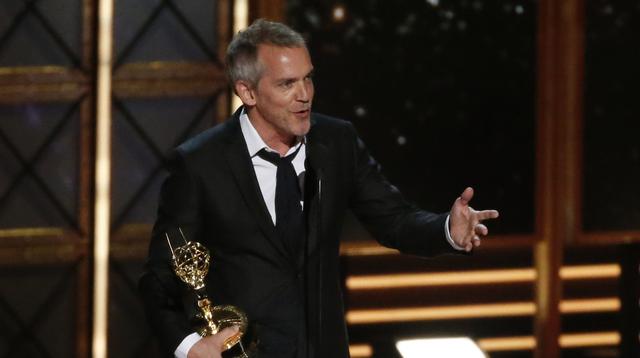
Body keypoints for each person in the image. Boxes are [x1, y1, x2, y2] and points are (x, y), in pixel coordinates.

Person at [139, 19, 499, 358]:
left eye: (308, 79)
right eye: (287, 84)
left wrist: (447, 229)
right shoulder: (200, 163)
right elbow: (158, 279)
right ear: (247, 91)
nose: (305, 95)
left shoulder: (336, 143)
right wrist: (189, 346)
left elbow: (394, 220)